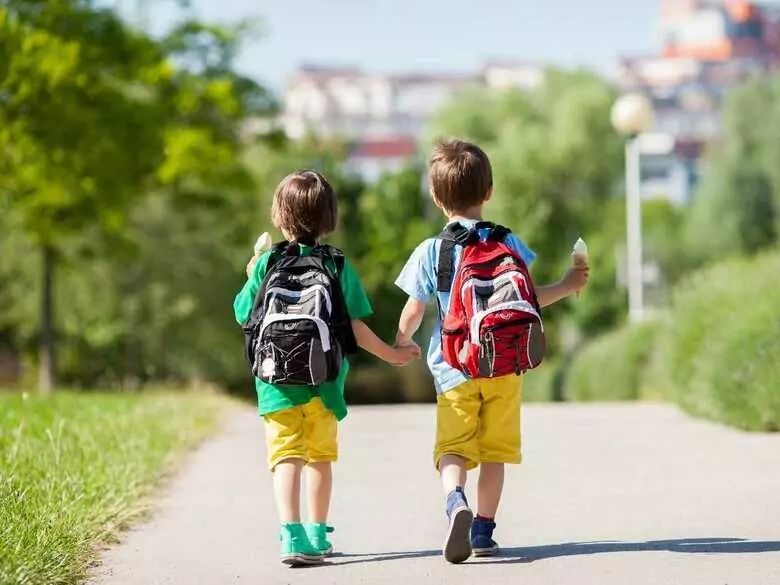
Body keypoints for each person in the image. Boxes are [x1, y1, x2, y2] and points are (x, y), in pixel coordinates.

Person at [394, 139, 589, 563]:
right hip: (504, 364)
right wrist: (570, 284)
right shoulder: (508, 241)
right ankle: (483, 530)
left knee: (453, 448)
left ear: (435, 197)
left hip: (454, 368)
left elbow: (413, 309)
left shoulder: (432, 250)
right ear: (489, 192)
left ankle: (454, 501)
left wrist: (403, 339)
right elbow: (528, 298)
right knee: (496, 452)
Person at [235, 170, 419, 566]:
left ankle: (291, 534)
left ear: (279, 217)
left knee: (286, 457)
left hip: (275, 385)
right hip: (325, 384)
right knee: (319, 458)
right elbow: (354, 325)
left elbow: (241, 314)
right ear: (329, 218)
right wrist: (391, 353)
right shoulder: (336, 264)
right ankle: (318, 535)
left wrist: (252, 275)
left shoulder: (267, 262)